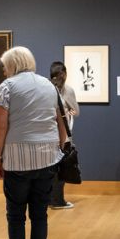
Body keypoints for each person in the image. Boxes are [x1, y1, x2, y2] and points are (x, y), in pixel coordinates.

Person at [0, 47, 68, 239]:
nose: (4, 71)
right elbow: (61, 123)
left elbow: (0, 127)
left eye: (5, 66)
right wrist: (59, 148)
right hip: (47, 158)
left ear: (13, 65)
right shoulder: (49, 86)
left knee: (15, 214)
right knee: (39, 215)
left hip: (17, 160)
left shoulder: (7, 87)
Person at [48, 61, 79, 209]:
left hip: (47, 134)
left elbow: (75, 111)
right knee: (61, 167)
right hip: (61, 134)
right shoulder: (65, 90)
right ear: (64, 74)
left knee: (51, 168)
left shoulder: (45, 88)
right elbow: (76, 111)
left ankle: (50, 199)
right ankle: (57, 200)